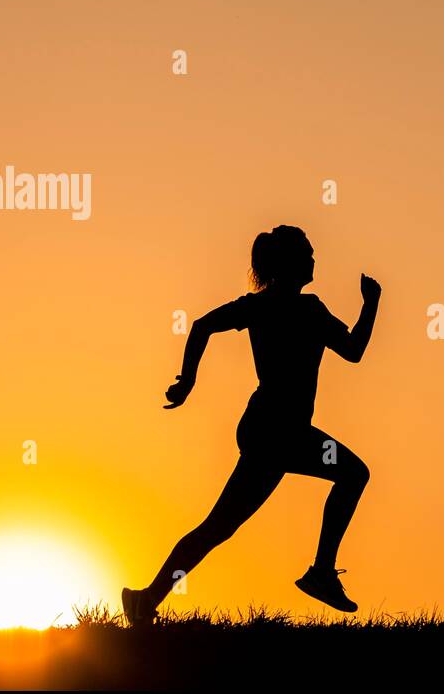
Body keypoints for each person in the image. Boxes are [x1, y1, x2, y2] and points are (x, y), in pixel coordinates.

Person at [122, 224, 380, 626]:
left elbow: (203, 325)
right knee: (353, 474)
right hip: (278, 431)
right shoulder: (302, 309)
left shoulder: (268, 307)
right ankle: (321, 574)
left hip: (267, 429)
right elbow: (355, 350)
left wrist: (188, 381)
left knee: (218, 527)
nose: (314, 258)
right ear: (289, 262)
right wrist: (371, 305)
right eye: (307, 253)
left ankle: (145, 600)